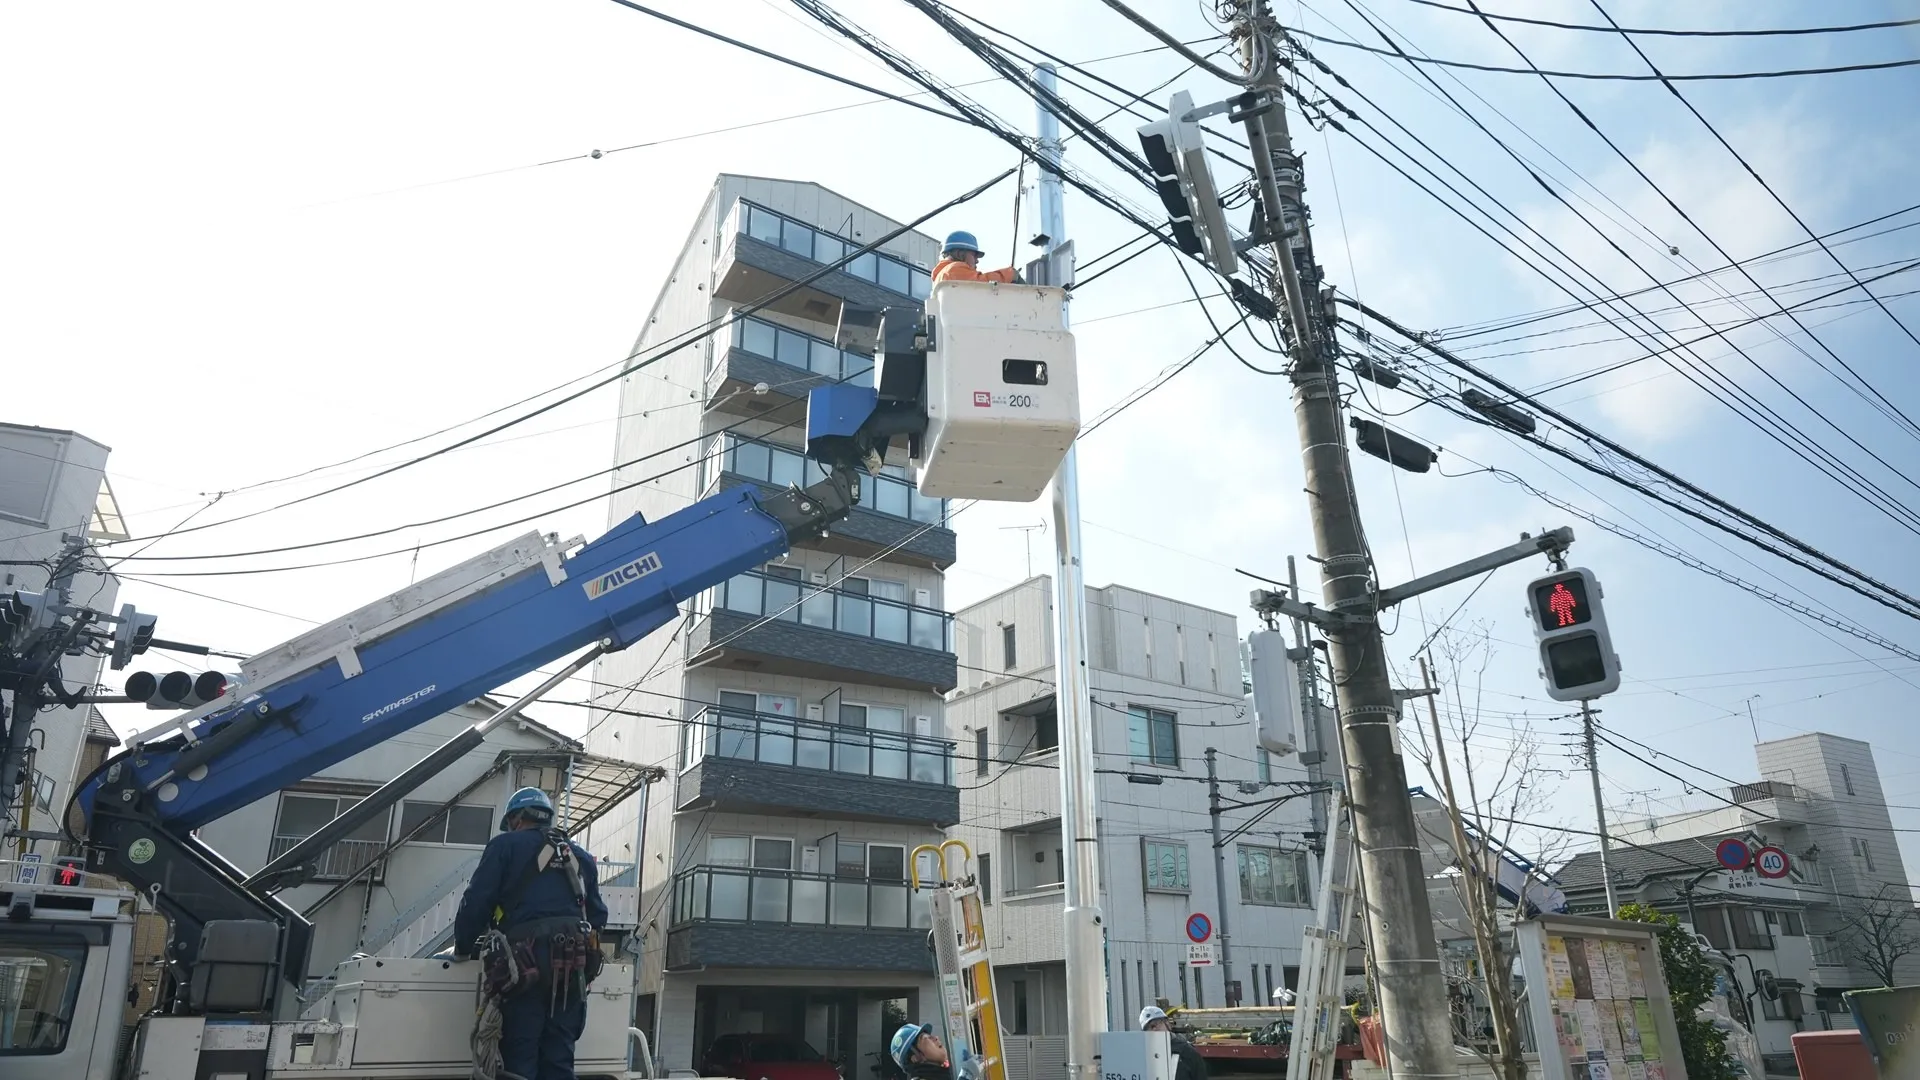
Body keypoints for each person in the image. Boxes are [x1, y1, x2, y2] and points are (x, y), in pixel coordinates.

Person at [454, 787, 609, 1080]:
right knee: (559, 1060)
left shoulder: (505, 846)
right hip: (572, 969)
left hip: (524, 966)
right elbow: (598, 917)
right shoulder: (580, 857)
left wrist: (463, 947)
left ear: (516, 819)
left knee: (519, 1058)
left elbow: (476, 902)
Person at [890, 1022, 982, 1080]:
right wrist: (966, 1076)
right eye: (926, 1038)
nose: (936, 1038)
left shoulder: (946, 1073)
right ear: (916, 1058)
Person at [1140, 1005, 1209, 1080]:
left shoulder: (1187, 1052)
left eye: (1157, 1024)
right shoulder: (1143, 1058)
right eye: (1149, 1027)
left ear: (1167, 1024)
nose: (1154, 1029)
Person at [931, 231, 1021, 284]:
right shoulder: (952, 270)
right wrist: (1009, 274)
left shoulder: (942, 275)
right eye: (974, 256)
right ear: (959, 254)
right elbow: (983, 284)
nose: (977, 261)